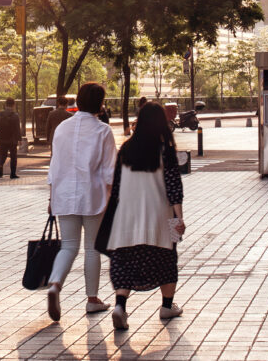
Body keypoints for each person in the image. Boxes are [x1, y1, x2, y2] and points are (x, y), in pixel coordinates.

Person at [104, 101, 185, 330]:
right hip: (159, 215)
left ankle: (120, 305)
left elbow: (116, 186)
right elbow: (173, 187)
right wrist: (179, 218)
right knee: (166, 260)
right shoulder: (165, 150)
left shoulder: (126, 149)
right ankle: (167, 306)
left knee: (125, 261)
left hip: (126, 216)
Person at [45, 81, 117, 321]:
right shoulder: (103, 131)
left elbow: (54, 165)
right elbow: (109, 170)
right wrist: (113, 196)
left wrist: (51, 194)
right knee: (91, 248)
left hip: (63, 194)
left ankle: (55, 284)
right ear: (100, 103)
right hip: (93, 195)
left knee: (68, 246)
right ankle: (92, 299)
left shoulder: (62, 129)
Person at [0, 97, 22, 178]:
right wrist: (19, 139)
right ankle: (12, 174)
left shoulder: (0, 114)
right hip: (12, 140)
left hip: (1, 139)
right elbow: (17, 128)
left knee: (2, 154)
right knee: (13, 156)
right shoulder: (15, 115)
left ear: (5, 104)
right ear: (13, 105)